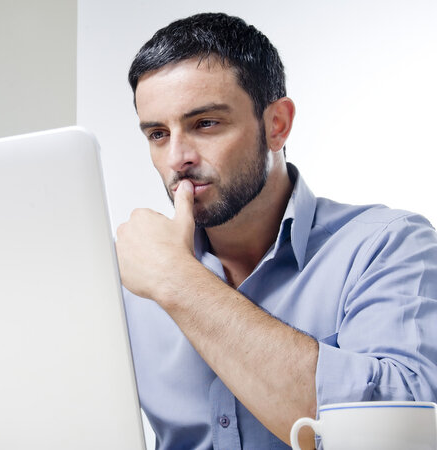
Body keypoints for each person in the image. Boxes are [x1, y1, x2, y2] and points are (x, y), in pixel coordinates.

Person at [115, 12, 437, 450]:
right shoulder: (123, 275)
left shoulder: (388, 245)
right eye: (157, 133)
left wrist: (178, 282)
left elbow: (400, 436)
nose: (177, 158)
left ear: (277, 125)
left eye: (205, 123)